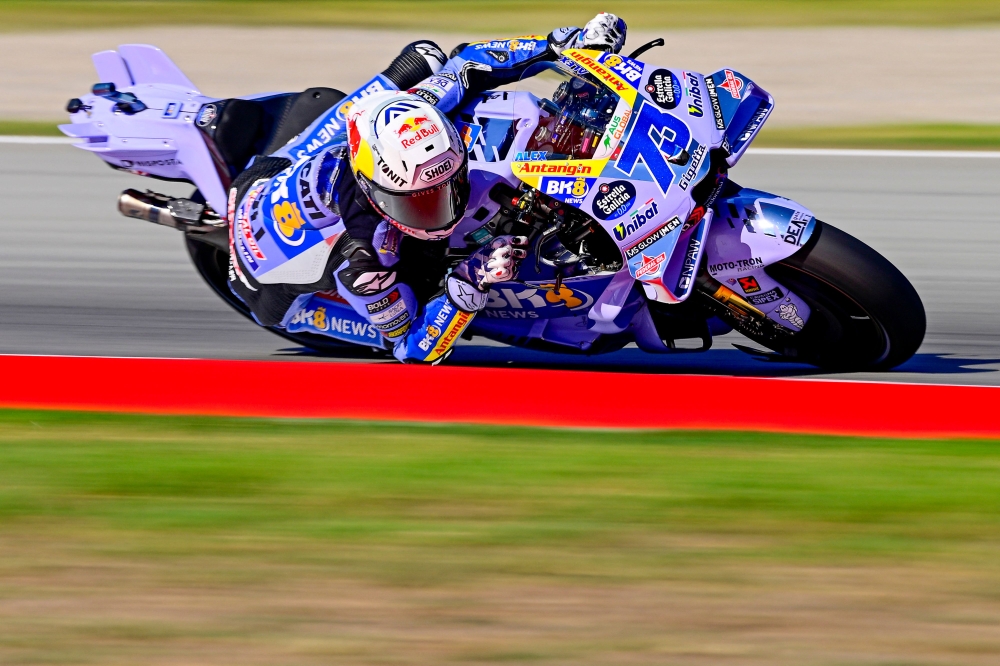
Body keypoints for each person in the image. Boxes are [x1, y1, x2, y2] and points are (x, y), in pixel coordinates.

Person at [228, 13, 628, 363]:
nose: (442, 211)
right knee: (417, 294)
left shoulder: (417, 112)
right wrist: (471, 278)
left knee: (426, 57)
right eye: (420, 204)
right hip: (266, 285)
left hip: (282, 172)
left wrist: (564, 46)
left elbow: (470, 61)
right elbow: (412, 348)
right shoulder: (365, 262)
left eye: (446, 188)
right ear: (379, 193)